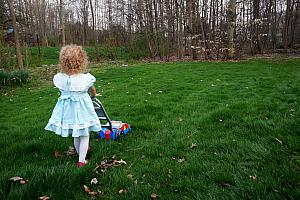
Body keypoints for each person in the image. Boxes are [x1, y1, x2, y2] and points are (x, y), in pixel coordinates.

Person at [45, 44, 101, 167]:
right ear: (82, 61)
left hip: (67, 110)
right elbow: (92, 89)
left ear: (63, 62)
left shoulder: (60, 78)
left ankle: (80, 152)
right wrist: (94, 95)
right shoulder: (86, 78)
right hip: (82, 110)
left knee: (77, 132)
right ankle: (81, 161)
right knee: (85, 134)